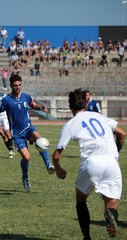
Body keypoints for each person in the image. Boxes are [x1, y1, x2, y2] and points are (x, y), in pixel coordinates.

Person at [52, 88, 126, 239]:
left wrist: (59, 169)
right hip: (112, 163)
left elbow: (56, 155)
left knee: (81, 200)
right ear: (86, 104)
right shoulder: (99, 117)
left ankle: (87, 237)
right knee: (111, 200)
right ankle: (111, 216)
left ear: (70, 106)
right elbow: (122, 133)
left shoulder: (70, 124)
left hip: (91, 163)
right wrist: (116, 151)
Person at [0, 74, 55, 191]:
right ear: (11, 85)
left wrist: (40, 108)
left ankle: (49, 165)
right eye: (15, 85)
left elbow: (33, 105)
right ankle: (25, 177)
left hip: (28, 128)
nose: (18, 87)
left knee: (39, 139)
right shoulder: (6, 100)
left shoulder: (26, 97)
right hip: (16, 134)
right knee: (27, 158)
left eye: (19, 85)